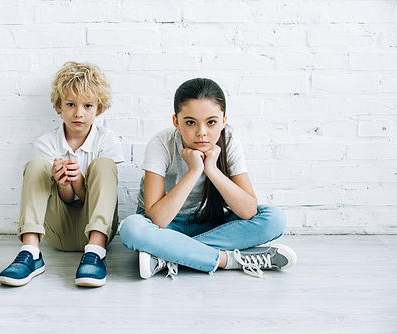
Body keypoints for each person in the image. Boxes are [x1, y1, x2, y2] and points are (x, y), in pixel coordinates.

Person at [119, 78, 297, 279]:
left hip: (207, 221)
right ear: (176, 122)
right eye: (190, 122)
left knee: (274, 219)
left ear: (224, 121)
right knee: (131, 228)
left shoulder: (229, 142)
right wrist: (194, 171)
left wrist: (211, 169)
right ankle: (228, 260)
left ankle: (169, 254)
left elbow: (248, 211)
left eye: (211, 122)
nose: (201, 132)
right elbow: (157, 219)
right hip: (166, 226)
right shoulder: (161, 144)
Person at [0, 61, 124, 287]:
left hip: (98, 231)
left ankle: (95, 253)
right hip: (59, 233)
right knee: (37, 165)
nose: (78, 113)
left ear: (99, 108)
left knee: (104, 164)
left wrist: (79, 180)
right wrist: (64, 183)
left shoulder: (107, 140)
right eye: (70, 104)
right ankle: (31, 252)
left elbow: (92, 199)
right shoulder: (46, 143)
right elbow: (65, 200)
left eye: (87, 106)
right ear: (59, 105)